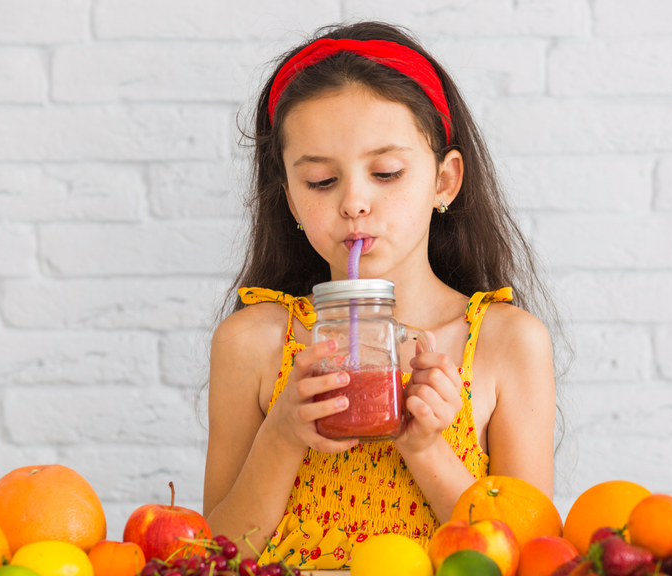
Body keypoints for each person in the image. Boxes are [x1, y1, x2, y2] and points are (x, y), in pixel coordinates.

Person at [203, 20, 561, 570]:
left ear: (444, 181)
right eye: (322, 181)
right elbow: (215, 558)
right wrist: (282, 434)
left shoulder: (507, 342)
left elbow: (526, 559)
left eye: (387, 173)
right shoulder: (251, 342)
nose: (354, 202)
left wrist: (425, 446)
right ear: (292, 201)